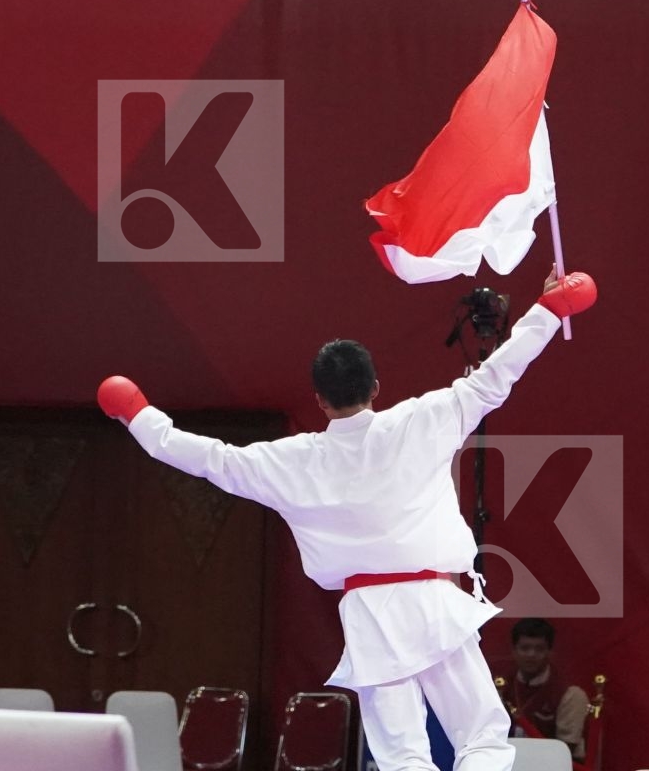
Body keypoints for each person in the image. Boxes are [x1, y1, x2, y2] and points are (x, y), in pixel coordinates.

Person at [97, 267, 599, 771]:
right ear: (375, 387)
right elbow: (495, 378)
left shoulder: (293, 461)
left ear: (319, 398)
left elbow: (211, 458)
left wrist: (139, 415)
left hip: (368, 614)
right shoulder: (420, 421)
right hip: (432, 602)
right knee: (483, 740)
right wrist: (549, 310)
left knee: (402, 756)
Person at [500, 617, 592, 759]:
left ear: (550, 652)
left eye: (539, 649)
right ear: (514, 651)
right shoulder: (500, 688)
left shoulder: (570, 694)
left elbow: (564, 750)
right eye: (525, 648)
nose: (531, 655)